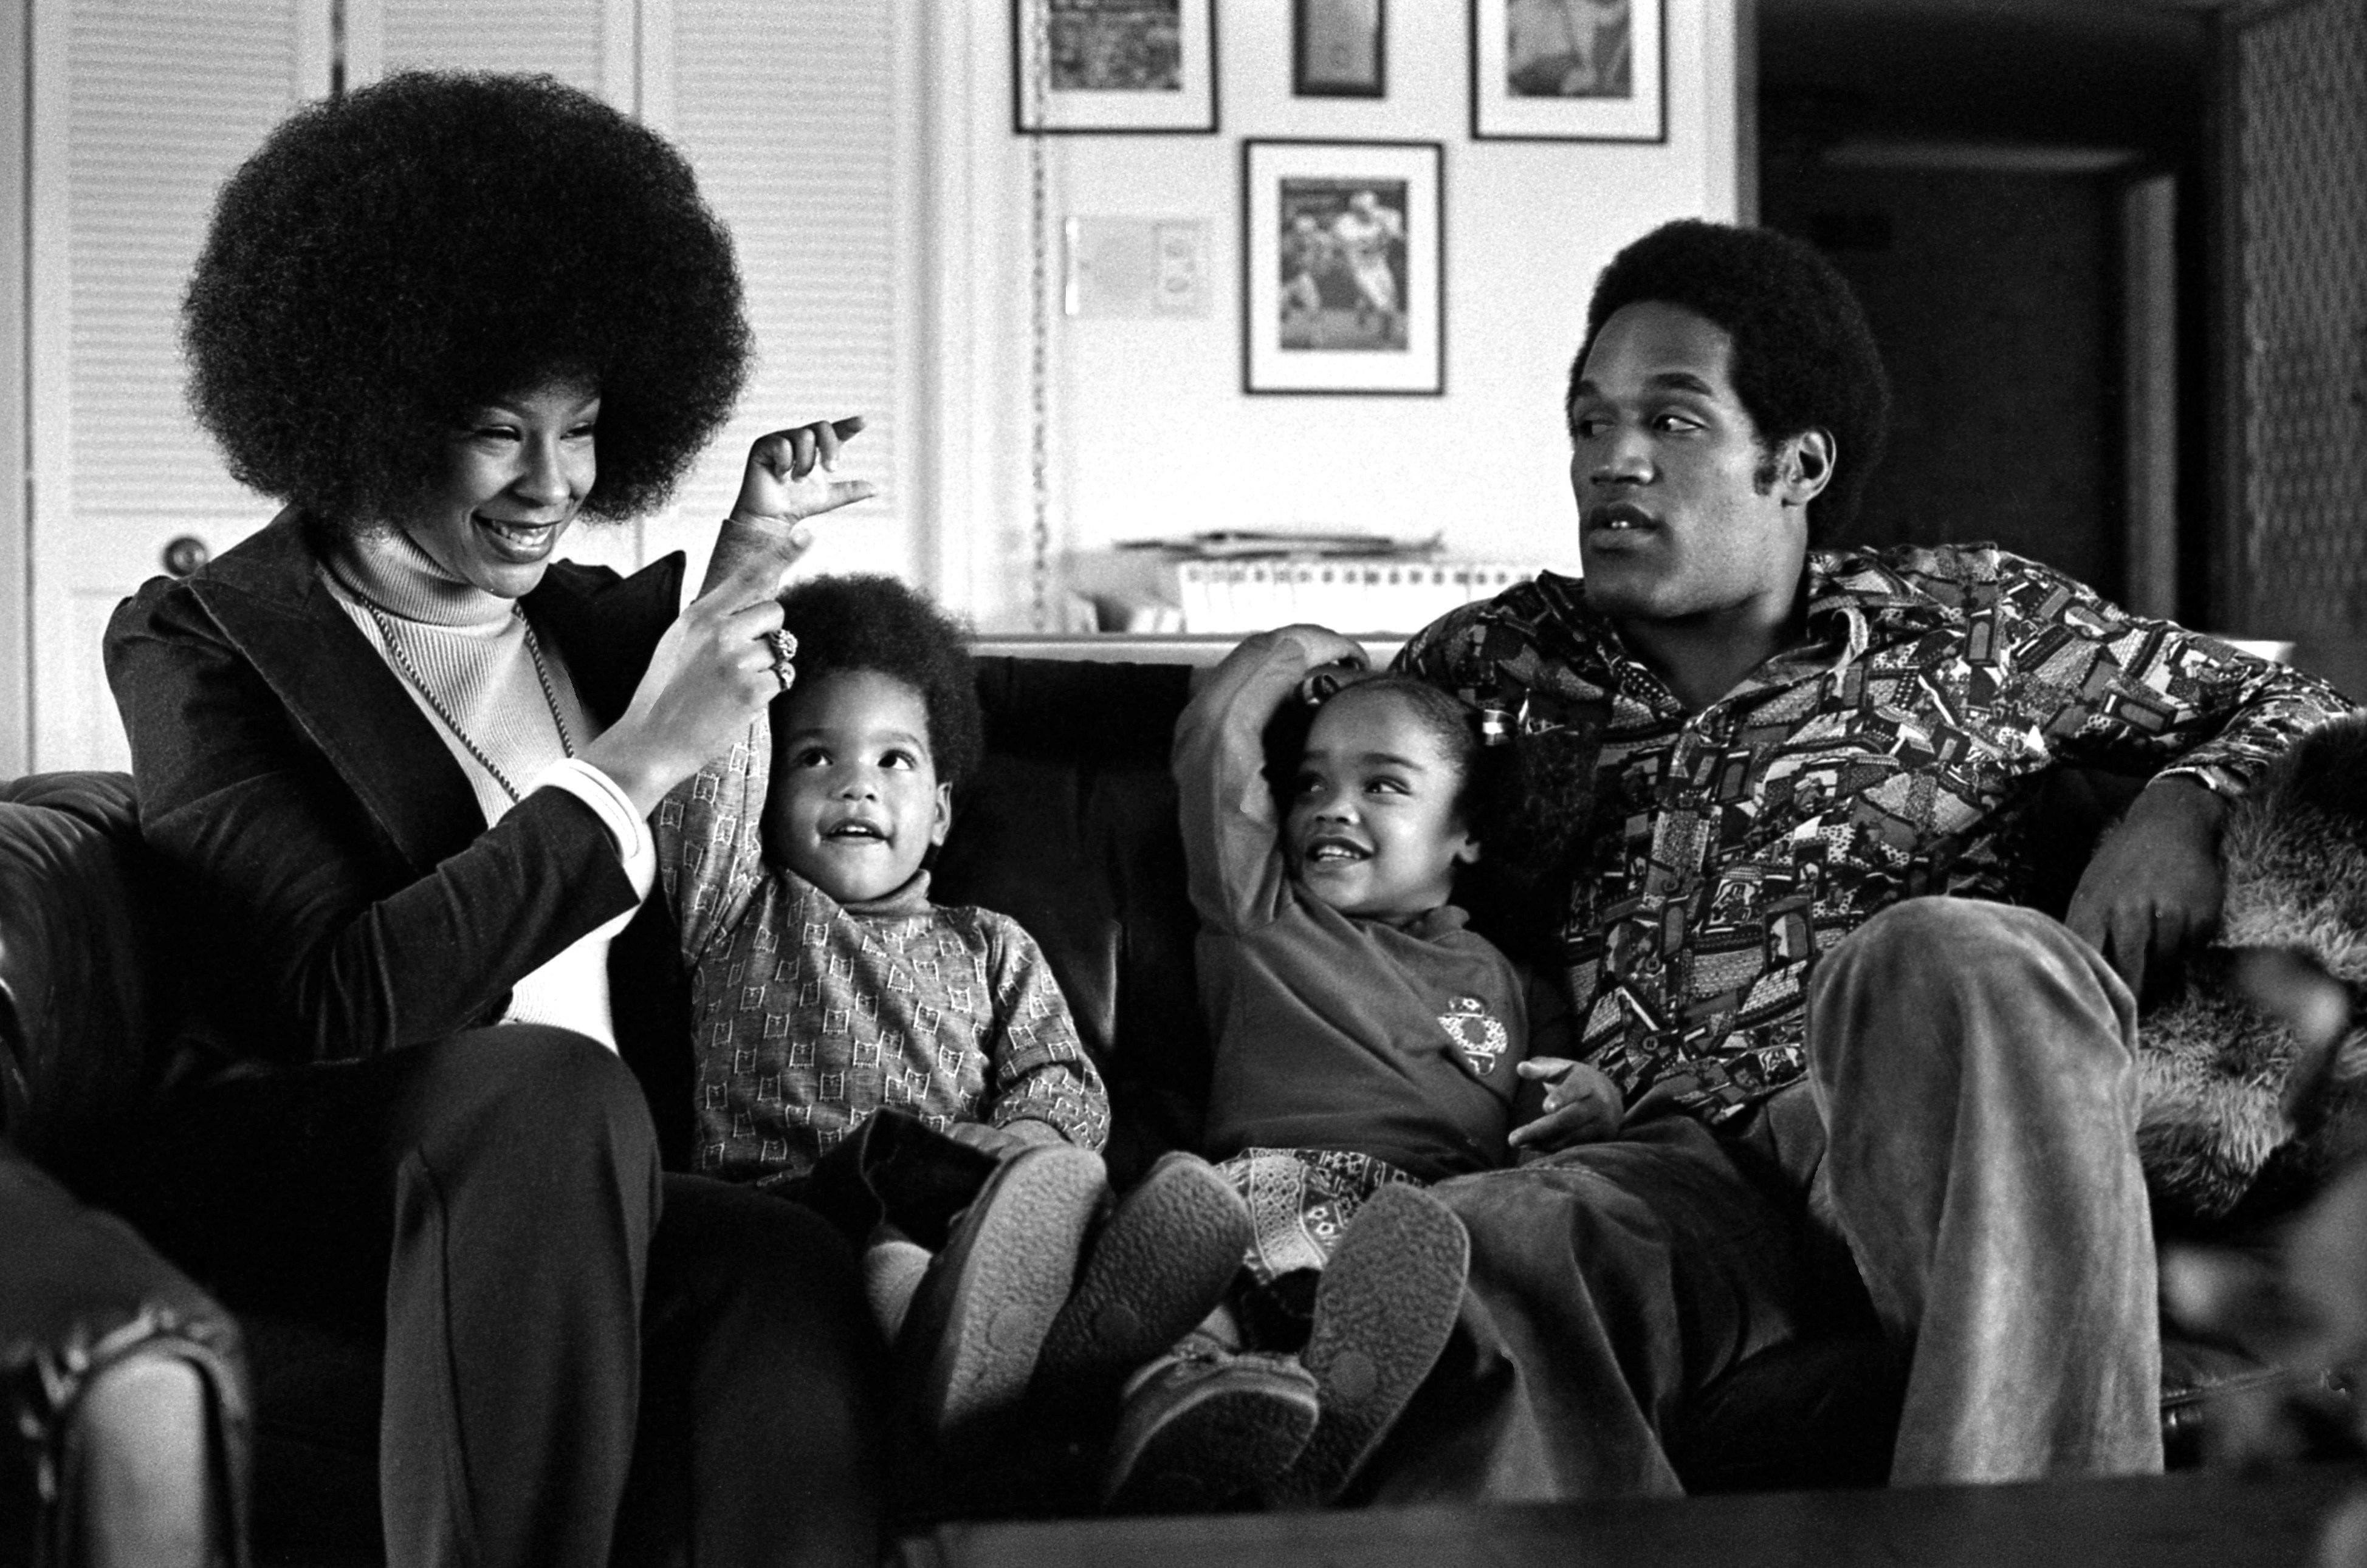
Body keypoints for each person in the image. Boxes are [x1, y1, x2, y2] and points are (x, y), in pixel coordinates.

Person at [1362, 217, 2357, 1502]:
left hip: (1909, 1116)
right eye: (1587, 420)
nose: (1611, 461)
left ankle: (2056, 1543)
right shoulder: (1494, 667)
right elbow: (1333, 779)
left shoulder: (1970, 621)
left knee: (1949, 947)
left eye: (1670, 422)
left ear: (1798, 462)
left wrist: (2180, 796)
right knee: (1485, 1239)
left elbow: (2306, 708)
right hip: (1669, 1165)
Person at [101, 70, 889, 1566]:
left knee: (779, 1259)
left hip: (579, 1183)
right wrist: (631, 766)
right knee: (549, 1091)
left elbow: (730, 701)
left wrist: (746, 563)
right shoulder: (211, 638)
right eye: (496, 433)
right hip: (343, 1166)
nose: (553, 487)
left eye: (583, 432)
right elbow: (335, 996)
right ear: (367, 409)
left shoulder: (582, 633)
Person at [659, 573, 1250, 1469]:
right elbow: (709, 760)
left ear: (938, 810)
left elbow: (1059, 1073)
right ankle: (978, 1361)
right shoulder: (738, 907)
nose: (857, 785)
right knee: (905, 1213)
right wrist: (747, 562)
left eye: (893, 761)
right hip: (800, 1205)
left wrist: (1028, 1134)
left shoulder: (988, 944)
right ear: (765, 794)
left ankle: (1192, 1382)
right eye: (816, 756)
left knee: (1094, 1207)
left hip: (977, 1204)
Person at [1100, 629, 1613, 1513]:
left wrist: (1589, 1098)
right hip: (1270, 1184)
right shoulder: (1260, 913)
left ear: (1468, 833)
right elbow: (1218, 731)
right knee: (1213, 1273)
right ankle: (1173, 1399)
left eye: (1382, 785)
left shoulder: (1505, 978)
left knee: (1425, 1274)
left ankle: (1316, 1415)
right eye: (1310, 783)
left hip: (1423, 1221)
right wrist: (1303, 648)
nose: (1332, 806)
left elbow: (1548, 1090)